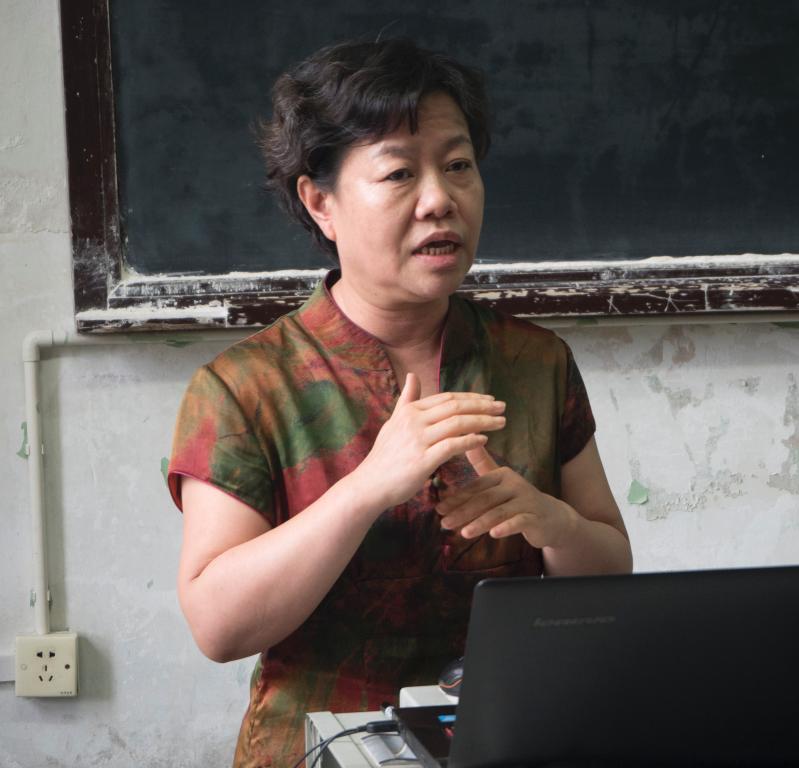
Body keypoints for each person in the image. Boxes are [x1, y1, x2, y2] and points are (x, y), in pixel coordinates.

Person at [166, 38, 631, 767]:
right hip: (319, 748)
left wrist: (552, 523)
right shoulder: (245, 386)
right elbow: (219, 627)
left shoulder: (534, 362)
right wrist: (367, 489)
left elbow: (610, 578)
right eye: (399, 173)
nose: (440, 199)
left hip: (508, 739)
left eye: (458, 165)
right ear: (320, 202)